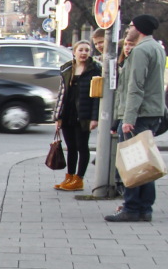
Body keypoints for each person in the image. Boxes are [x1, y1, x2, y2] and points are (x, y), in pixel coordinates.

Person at [105, 15, 166, 222]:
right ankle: (144, 209)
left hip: (138, 114)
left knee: (132, 163)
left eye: (131, 26)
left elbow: (135, 87)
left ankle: (131, 208)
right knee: (144, 163)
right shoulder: (157, 48)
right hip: (151, 112)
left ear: (139, 29)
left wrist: (128, 118)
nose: (128, 29)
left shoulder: (140, 50)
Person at [53, 40, 101, 191]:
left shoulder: (95, 70)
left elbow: (97, 97)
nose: (84, 53)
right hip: (68, 113)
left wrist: (95, 118)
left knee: (82, 146)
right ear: (74, 52)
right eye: (81, 50)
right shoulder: (67, 68)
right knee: (71, 147)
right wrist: (58, 116)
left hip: (84, 114)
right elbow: (61, 94)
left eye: (87, 50)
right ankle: (70, 177)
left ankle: (79, 179)